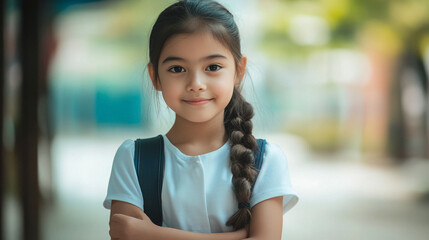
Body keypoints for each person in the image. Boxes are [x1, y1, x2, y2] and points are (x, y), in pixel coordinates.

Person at [103, 0, 298, 239]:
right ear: (155, 76)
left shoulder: (266, 160)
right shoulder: (134, 159)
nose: (196, 84)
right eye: (177, 69)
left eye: (213, 67)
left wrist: (153, 234)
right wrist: (238, 236)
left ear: (239, 70)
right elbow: (125, 234)